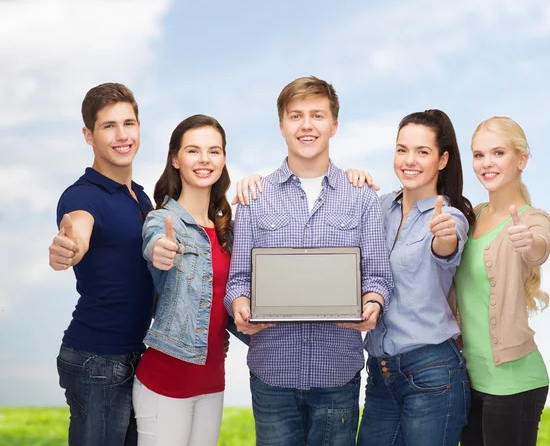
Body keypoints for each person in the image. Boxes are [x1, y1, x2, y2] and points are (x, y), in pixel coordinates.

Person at [224, 76, 393, 446]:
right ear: (282, 125)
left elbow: (378, 276)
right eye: (296, 115)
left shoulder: (360, 197)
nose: (307, 125)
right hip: (272, 374)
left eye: (317, 115)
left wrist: (372, 303)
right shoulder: (255, 197)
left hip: (337, 373)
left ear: (334, 124)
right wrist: (239, 305)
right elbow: (238, 280)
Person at [349, 109, 474, 446]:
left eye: (423, 152)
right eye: (402, 149)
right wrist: (349, 180)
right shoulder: (378, 207)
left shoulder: (449, 217)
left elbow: (447, 247)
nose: (409, 160)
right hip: (379, 373)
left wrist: (444, 237)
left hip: (432, 372)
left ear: (442, 159)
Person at [48, 83, 155, 446]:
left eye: (129, 123)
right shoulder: (82, 196)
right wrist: (68, 248)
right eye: (109, 126)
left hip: (131, 354)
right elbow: (77, 232)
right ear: (88, 135)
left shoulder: (139, 196)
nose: (122, 135)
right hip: (97, 359)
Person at [133, 115, 236, 446]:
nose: (205, 159)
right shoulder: (163, 221)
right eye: (193, 150)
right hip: (166, 382)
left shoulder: (226, 230)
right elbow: (154, 244)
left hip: (211, 382)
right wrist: (159, 251)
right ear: (176, 159)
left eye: (214, 151)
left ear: (222, 159)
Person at [454, 117, 550, 446]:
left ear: (521, 160)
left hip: (515, 381)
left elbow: (539, 247)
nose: (486, 163)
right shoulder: (474, 214)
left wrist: (530, 244)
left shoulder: (532, 219)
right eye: (479, 155)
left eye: (498, 152)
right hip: (473, 378)